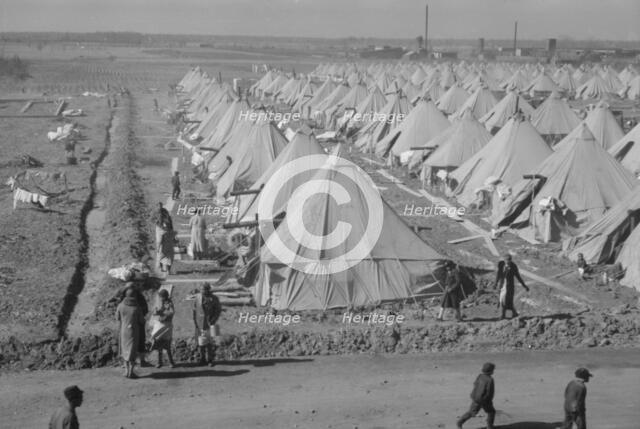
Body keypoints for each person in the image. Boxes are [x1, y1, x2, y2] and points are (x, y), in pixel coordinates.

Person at [116, 287, 145, 378]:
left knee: (125, 351)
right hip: (133, 331)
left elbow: (117, 318)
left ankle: (126, 371)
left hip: (123, 330)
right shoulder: (137, 307)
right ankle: (131, 372)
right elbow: (141, 320)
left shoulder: (120, 306)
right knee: (132, 351)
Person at [457, 362, 496, 429]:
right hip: (485, 400)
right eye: (493, 370)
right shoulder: (490, 380)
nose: (493, 371)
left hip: (476, 398)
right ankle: (489, 426)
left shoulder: (480, 376)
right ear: (490, 371)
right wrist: (489, 400)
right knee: (491, 412)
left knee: (471, 412)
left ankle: (460, 422)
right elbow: (490, 392)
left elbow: (475, 384)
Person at [192, 283, 222, 366]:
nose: (201, 291)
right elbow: (194, 310)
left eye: (203, 289)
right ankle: (202, 359)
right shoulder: (197, 297)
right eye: (201, 289)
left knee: (210, 343)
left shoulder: (214, 298)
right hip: (200, 323)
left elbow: (218, 310)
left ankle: (210, 360)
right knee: (201, 342)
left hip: (210, 324)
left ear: (208, 290)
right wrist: (195, 321)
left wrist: (213, 320)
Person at [495, 254, 529, 319]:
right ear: (504, 260)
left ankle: (505, 314)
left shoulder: (513, 267)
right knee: (502, 300)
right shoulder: (501, 264)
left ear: (511, 260)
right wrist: (495, 283)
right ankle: (511, 313)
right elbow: (498, 274)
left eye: (509, 260)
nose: (507, 262)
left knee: (507, 301)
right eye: (506, 260)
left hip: (509, 287)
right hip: (502, 286)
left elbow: (518, 277)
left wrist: (524, 286)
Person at [149, 289, 176, 368]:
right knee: (158, 344)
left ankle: (171, 362)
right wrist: (156, 312)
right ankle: (159, 362)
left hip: (167, 325)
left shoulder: (169, 303)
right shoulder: (158, 302)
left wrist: (162, 312)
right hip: (159, 325)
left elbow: (171, 312)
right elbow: (154, 312)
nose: (161, 298)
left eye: (162, 297)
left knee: (167, 345)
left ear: (165, 297)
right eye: (160, 297)